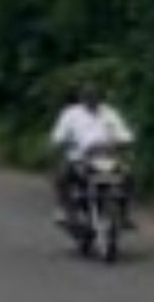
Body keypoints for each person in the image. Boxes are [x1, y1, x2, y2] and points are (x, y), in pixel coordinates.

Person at [49, 85, 135, 230]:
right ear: (81, 98)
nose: (91, 99)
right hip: (79, 158)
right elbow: (58, 136)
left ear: (100, 98)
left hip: (107, 157)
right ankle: (65, 210)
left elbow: (124, 132)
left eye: (95, 96)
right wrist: (63, 142)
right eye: (88, 96)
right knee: (62, 175)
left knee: (128, 177)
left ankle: (123, 214)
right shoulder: (70, 114)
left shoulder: (110, 113)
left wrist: (123, 140)